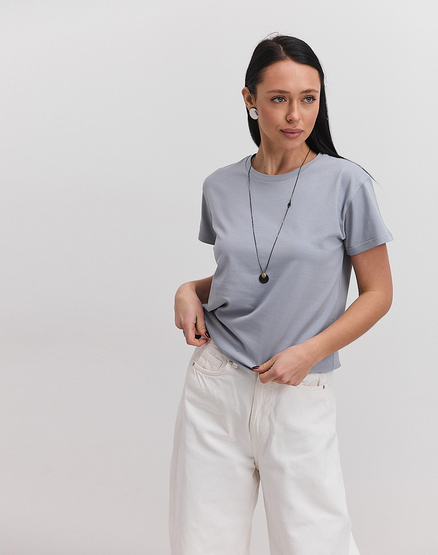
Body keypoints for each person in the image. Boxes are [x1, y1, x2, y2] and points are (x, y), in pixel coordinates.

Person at [170, 35, 393, 555]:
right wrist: (189, 289)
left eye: (308, 98)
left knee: (316, 544)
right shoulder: (220, 186)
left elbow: (378, 293)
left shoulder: (346, 184)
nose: (296, 115)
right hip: (216, 384)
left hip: (298, 389)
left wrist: (308, 353)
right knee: (202, 544)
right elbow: (247, 273)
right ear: (249, 99)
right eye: (278, 99)